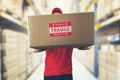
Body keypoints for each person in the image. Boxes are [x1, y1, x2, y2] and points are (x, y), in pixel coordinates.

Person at [34, 7, 91, 80]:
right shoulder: (47, 32)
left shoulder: (70, 31)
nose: (56, 18)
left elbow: (77, 42)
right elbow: (43, 44)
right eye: (54, 16)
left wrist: (82, 46)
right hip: (50, 73)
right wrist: (40, 48)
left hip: (65, 73)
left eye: (59, 16)